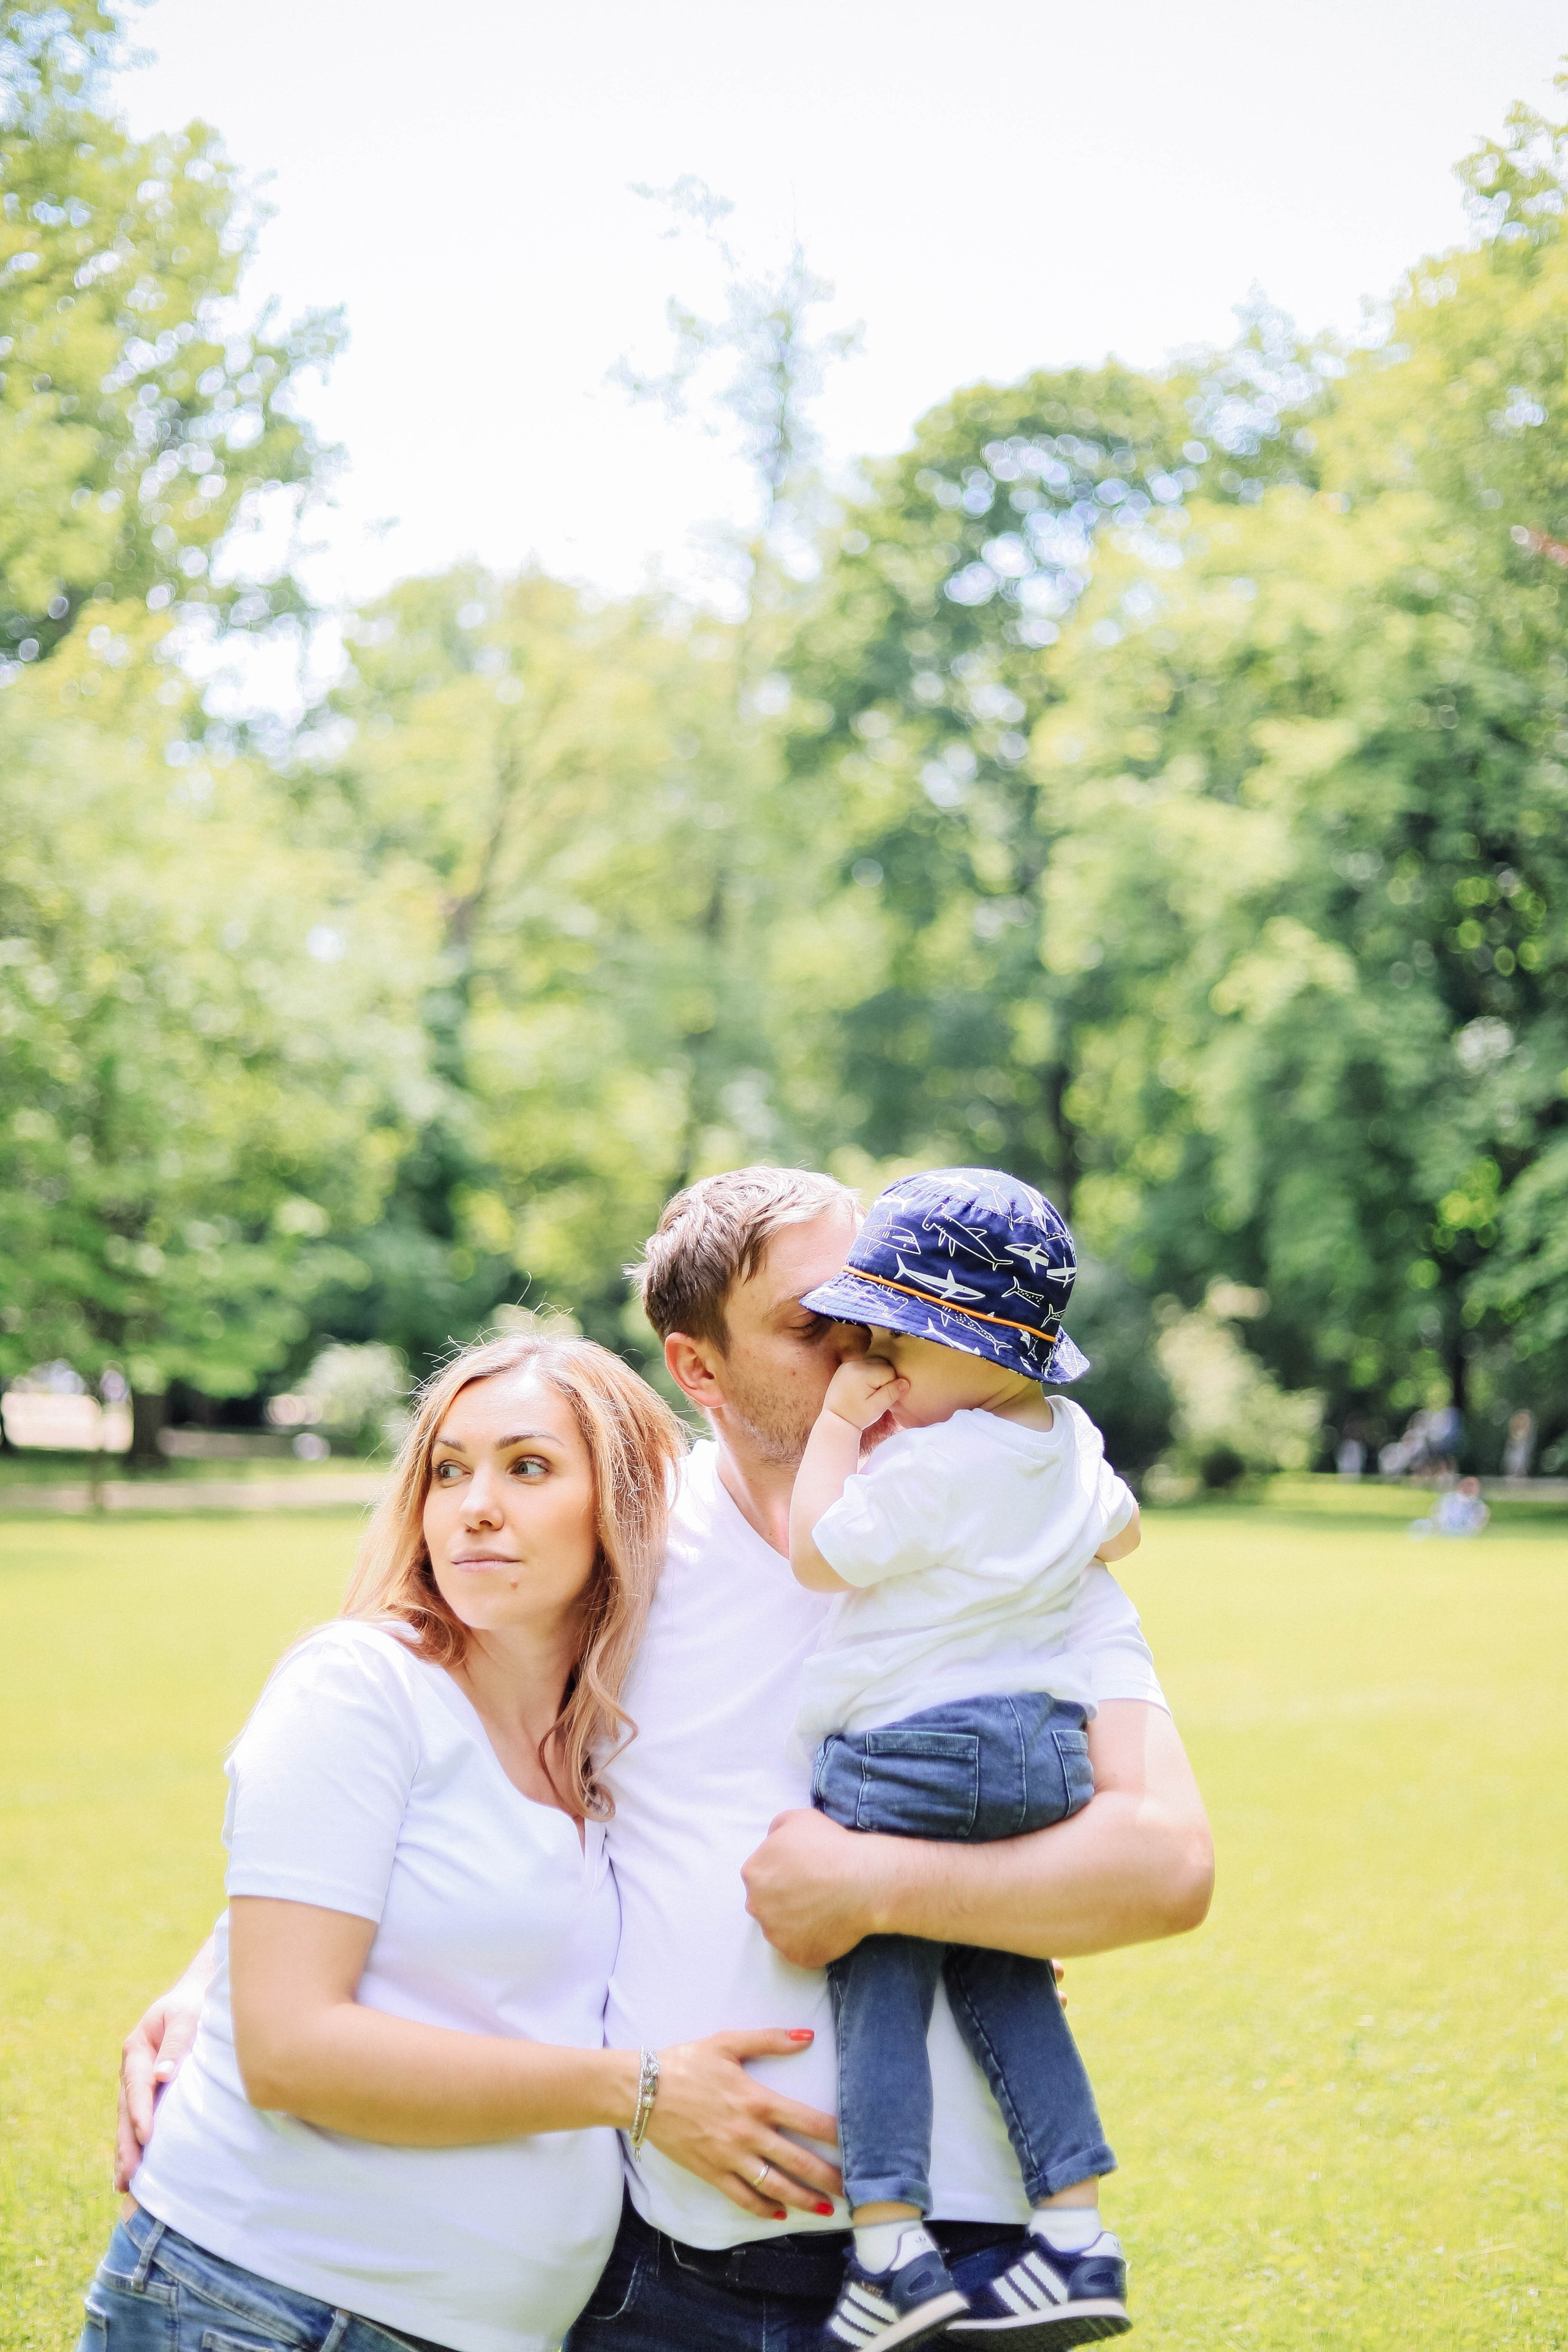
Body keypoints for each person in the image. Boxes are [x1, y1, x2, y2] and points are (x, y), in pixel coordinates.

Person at [119, 1168, 1215, 2352]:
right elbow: (419, 1746)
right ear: (698, 1369)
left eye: (887, 1311)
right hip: (679, 2275)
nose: (872, 1349)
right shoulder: (622, 1564)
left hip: (965, 2257)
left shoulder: (1022, 1552)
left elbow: (1166, 1865)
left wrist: (880, 1887)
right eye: (816, 1326)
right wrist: (215, 1977)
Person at [87, 1332, 842, 2352]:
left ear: (621, 1504)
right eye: (450, 1470)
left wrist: (944, 1944)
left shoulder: (612, 1745)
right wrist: (644, 2089)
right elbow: (290, 2050)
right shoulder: (363, 1685)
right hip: (264, 2306)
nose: (475, 1503)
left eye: (527, 1467)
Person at [786, 1169, 1137, 2347]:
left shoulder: (934, 1464)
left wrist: (840, 1428)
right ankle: (1079, 2242)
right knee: (1007, 1976)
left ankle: (891, 2251)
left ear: (970, 1344)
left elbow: (821, 1555)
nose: (874, 1361)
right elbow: (1125, 1529)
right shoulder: (1067, 1439)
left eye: (894, 1339)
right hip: (1043, 1750)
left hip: (915, 1750)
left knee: (878, 1975)